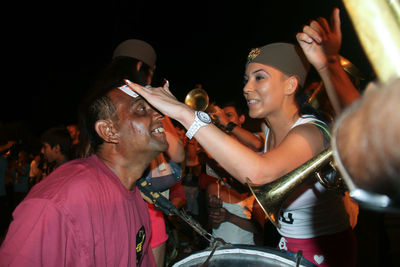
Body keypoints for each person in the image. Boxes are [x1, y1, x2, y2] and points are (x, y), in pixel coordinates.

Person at [124, 8, 358, 267]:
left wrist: (186, 115)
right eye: (247, 79)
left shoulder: (311, 131)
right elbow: (255, 153)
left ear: (291, 85)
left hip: (325, 253)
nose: (247, 88)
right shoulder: (270, 130)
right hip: (286, 246)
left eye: (260, 78)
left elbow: (259, 172)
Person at [0, 66, 167, 265]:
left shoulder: (137, 198)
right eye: (141, 108)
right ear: (108, 130)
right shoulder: (59, 201)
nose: (159, 115)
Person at [111, 39, 185, 267]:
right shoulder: (147, 99)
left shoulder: (102, 100)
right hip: (149, 210)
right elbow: (179, 154)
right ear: (143, 70)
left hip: (110, 210)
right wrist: (161, 109)